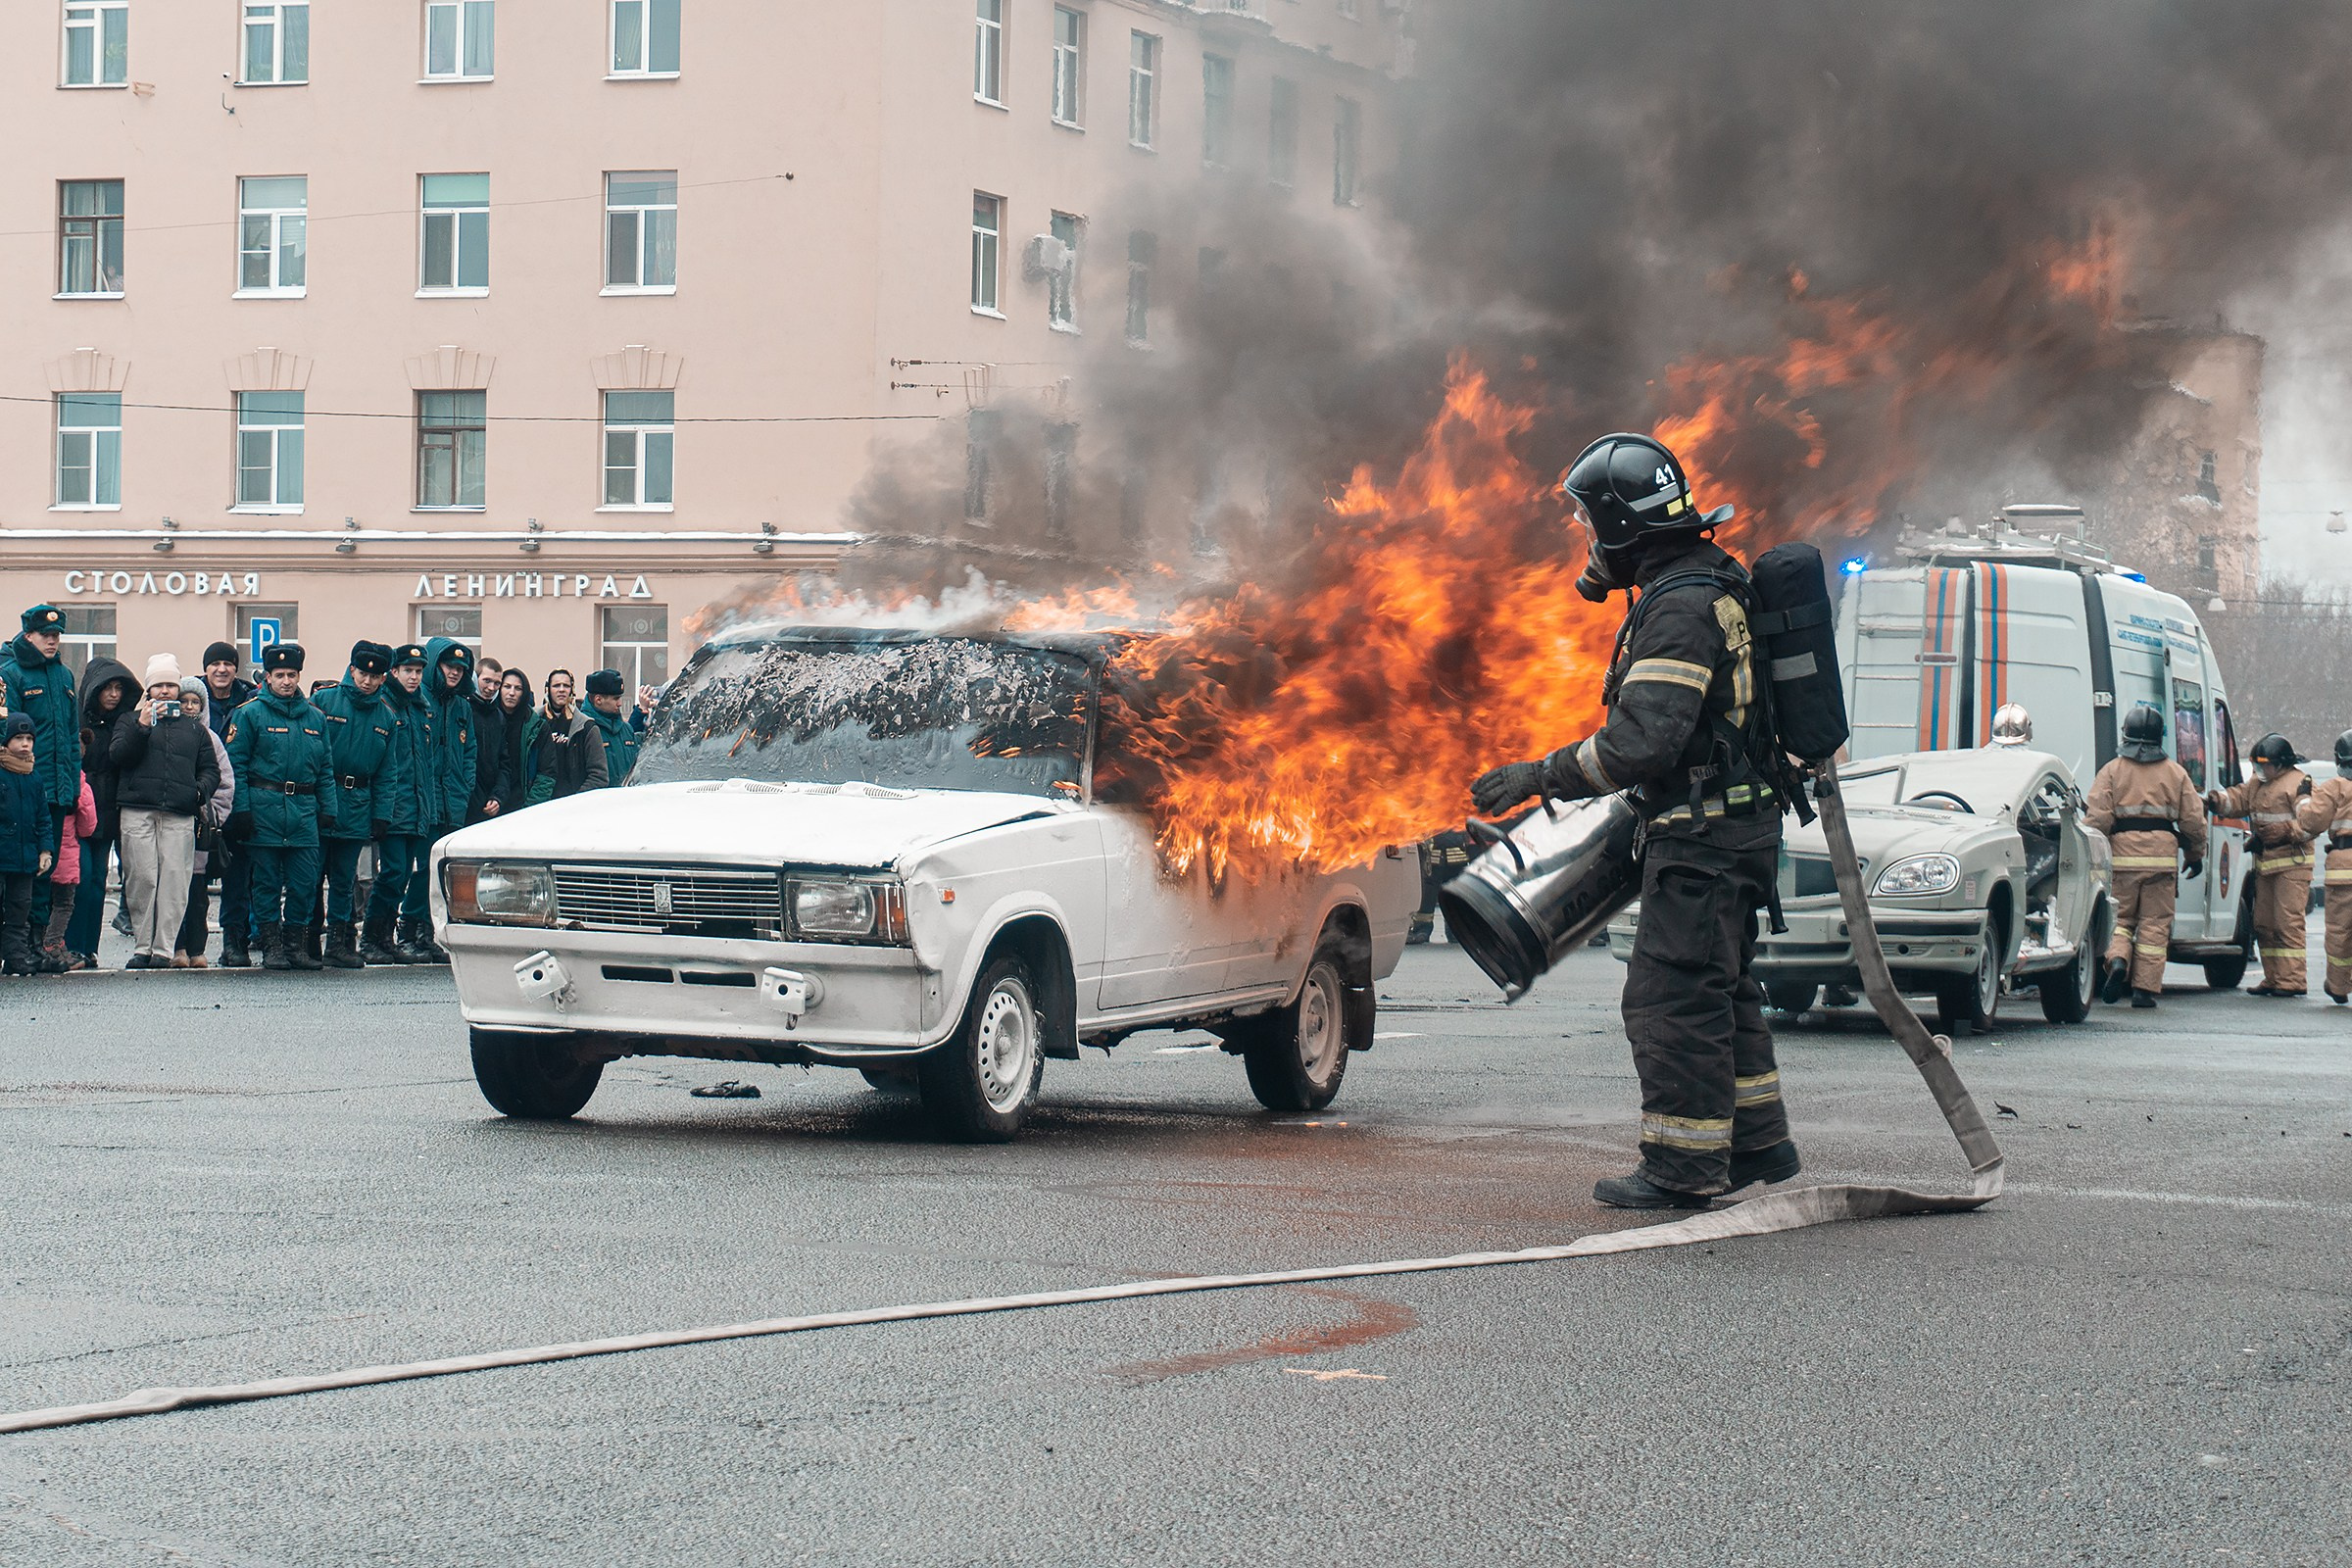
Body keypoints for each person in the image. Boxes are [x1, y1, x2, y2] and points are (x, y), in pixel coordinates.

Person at [1472, 432, 1795, 1209]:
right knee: (1722, 990)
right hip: (1733, 829)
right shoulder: (1710, 582)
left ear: (1621, 527)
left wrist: (1536, 777)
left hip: (1705, 840)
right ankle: (1757, 1145)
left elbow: (1644, 741)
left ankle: (1683, 1167)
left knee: (1670, 996)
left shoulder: (1681, 608)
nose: (1586, 539)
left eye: (1590, 524)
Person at [2082, 704, 2207, 1008]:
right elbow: (2193, 821)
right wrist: (2194, 853)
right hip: (2162, 861)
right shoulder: (2175, 773)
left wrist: (2091, 857)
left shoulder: (2111, 771)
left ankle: (2118, 961)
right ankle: (2144, 990)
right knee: (2154, 924)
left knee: (2120, 919)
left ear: (2126, 733)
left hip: (2122, 860)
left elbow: (2097, 819)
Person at [110, 655, 221, 969]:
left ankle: (164, 948)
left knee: (175, 880)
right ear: (148, 689)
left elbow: (211, 770)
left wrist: (197, 792)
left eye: (170, 685)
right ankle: (142, 946)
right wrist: (142, 726)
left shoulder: (194, 729)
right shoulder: (129, 721)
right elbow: (118, 755)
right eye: (158, 685)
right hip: (137, 809)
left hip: (179, 813)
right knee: (142, 878)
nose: (165, 691)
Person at [226, 643, 332, 971]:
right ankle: (271, 946)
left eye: (292, 675)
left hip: (303, 813)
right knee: (267, 884)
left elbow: (325, 767)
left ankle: (295, 946)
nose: (286, 681)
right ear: (267, 678)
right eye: (279, 675)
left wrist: (329, 809)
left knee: (305, 884)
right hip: (263, 812)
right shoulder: (249, 714)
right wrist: (241, 811)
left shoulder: (315, 718)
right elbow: (236, 766)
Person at [312, 642, 398, 968]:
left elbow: (388, 772)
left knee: (344, 879)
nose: (368, 681)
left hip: (358, 802)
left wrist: (382, 815)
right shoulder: (324, 701)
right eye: (363, 673)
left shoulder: (386, 717)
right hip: (322, 797)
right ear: (351, 670)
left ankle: (338, 942)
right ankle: (307, 940)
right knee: (310, 878)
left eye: (376, 676)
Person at [2208, 734, 2314, 998]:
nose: (2258, 770)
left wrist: (2284, 832)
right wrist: (2215, 801)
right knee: (2264, 923)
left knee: (2287, 924)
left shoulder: (2299, 784)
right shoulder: (2257, 783)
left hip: (2292, 866)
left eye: (2263, 765)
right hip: (2266, 865)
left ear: (2280, 764)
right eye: (2255, 765)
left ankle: (2292, 980)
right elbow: (2238, 800)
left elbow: (2311, 823)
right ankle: (2274, 977)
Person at [4, 606, 79, 945]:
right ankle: (20, 945)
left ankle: (38, 943)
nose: (52, 641)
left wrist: (73, 784)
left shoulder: (64, 676)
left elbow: (72, 736)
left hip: (58, 789)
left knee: (47, 869)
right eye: (46, 635)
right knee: (24, 871)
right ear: (28, 635)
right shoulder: (11, 674)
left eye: (56, 635)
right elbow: (9, 736)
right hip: (22, 788)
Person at [63, 655, 137, 967]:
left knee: (96, 885)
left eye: (119, 688)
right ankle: (69, 946)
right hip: (79, 810)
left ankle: (87, 948)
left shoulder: (122, 723)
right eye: (107, 687)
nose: (114, 694)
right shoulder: (77, 721)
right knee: (81, 879)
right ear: (94, 689)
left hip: (107, 812)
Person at [366, 644, 438, 965]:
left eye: (418, 671)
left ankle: (385, 938)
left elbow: (424, 764)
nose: (414, 677)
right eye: (408, 671)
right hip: (392, 806)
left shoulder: (418, 707)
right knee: (392, 872)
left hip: (416, 805)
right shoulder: (385, 704)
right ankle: (370, 936)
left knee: (404, 875)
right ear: (393, 672)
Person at [170, 680, 236, 967]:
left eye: (195, 702)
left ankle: (197, 949)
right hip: (170, 826)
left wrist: (211, 817)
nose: (189, 707)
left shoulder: (212, 739)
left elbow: (225, 784)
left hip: (199, 828)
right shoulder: (165, 735)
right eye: (183, 701)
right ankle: (176, 948)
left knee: (197, 896)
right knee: (173, 894)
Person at [200, 642, 258, 965]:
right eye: (215, 664)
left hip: (240, 799)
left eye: (228, 664)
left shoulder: (250, 700)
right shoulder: (190, 697)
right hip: (198, 799)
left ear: (237, 668)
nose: (221, 669)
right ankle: (187, 944)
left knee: (239, 876)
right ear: (206, 668)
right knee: (194, 879)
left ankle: (235, 941)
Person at [2295, 730, 2352, 1004]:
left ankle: (2339, 986)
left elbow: (2310, 822)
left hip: (2343, 871)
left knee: (2340, 931)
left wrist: (2303, 799)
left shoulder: (2334, 787)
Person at [1, 714, 57, 975]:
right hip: (4, 854)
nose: (25, 744)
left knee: (19, 909)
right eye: (18, 738)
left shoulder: (34, 776)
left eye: (29, 739)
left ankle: (15, 958)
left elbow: (43, 818)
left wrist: (45, 850)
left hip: (25, 858)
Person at [522, 669, 609, 804]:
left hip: (572, 807)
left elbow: (599, 776)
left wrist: (575, 800)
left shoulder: (586, 726)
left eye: (566, 686)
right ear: (547, 689)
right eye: (556, 685)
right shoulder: (532, 722)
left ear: (572, 689)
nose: (561, 690)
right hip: (536, 804)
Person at [41, 769, 97, 970]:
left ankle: (39, 944)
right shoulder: (80, 783)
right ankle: (53, 943)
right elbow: (88, 827)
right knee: (64, 903)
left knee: (39, 901)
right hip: (67, 854)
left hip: (41, 851)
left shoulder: (42, 777)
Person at [477, 667, 532, 819]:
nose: (512, 693)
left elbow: (546, 772)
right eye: (507, 687)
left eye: (518, 688)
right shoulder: (488, 716)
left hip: (519, 805)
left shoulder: (535, 725)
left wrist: (529, 806)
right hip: (483, 802)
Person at [583, 669, 645, 787]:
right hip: (597, 802)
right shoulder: (583, 729)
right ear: (598, 700)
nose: (620, 703)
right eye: (615, 699)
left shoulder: (627, 730)